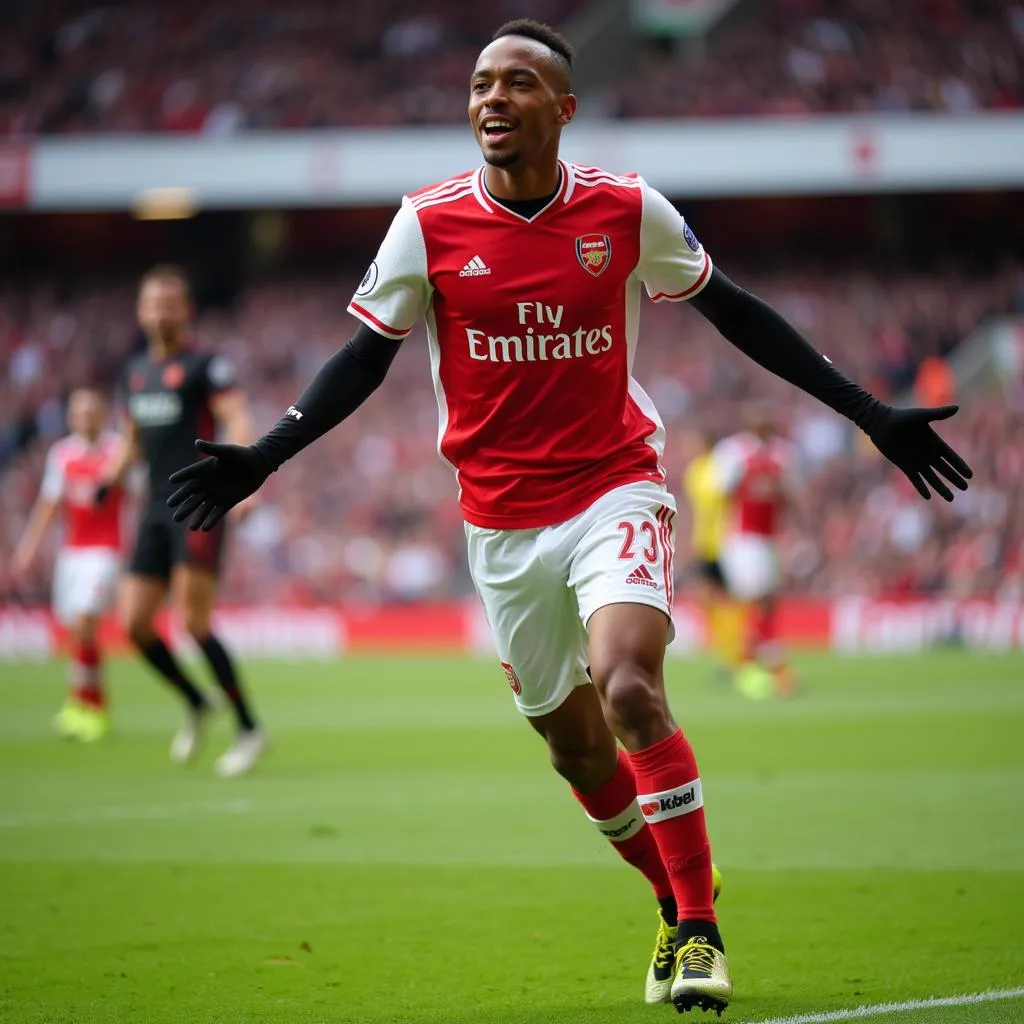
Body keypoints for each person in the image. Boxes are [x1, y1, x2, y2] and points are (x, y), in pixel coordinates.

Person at [163, 20, 972, 1013]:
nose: (490, 100)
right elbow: (364, 358)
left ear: (563, 109)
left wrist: (870, 413)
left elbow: (740, 312)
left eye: (515, 84)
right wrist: (265, 454)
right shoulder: (426, 224)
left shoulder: (626, 211)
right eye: (478, 85)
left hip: (612, 488)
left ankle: (698, 936)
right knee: (574, 747)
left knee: (628, 686)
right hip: (499, 525)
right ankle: (679, 896)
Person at [103, 265, 267, 777]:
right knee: (133, 624)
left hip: (197, 503)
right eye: (152, 302)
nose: (161, 311)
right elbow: (131, 441)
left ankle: (248, 728)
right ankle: (197, 701)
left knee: (194, 622)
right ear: (140, 311)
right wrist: (107, 479)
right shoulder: (134, 372)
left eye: (170, 302)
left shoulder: (206, 366)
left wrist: (245, 472)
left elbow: (236, 415)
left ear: (186, 310)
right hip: (152, 510)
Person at [12, 389, 125, 742]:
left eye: (93, 409)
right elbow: (49, 503)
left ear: (103, 412)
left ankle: (91, 707)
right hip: (71, 554)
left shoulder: (119, 451)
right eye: (80, 411)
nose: (87, 416)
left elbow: (143, 491)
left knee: (85, 621)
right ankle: (85, 703)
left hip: (105, 551)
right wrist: (28, 547)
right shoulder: (62, 454)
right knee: (78, 633)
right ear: (72, 416)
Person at [713, 411, 801, 699]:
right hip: (743, 539)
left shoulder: (782, 454)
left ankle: (749, 664)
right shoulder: (735, 454)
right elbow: (722, 492)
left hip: (768, 538)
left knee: (767, 602)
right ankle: (773, 665)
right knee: (759, 600)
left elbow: (791, 495)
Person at [681, 430, 745, 677]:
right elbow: (697, 508)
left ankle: (737, 653)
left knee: (729, 599)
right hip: (704, 542)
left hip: (725, 541)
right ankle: (729, 651)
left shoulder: (721, 467)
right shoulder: (695, 470)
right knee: (708, 599)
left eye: (694, 442)